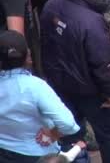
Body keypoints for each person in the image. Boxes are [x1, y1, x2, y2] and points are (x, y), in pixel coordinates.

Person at [39, 0, 110, 163]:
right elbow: (104, 65)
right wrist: (109, 93)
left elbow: (45, 46)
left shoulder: (51, 6)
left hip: (61, 88)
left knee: (71, 137)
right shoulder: (91, 23)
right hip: (93, 94)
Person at [0, 30, 80, 163]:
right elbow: (67, 123)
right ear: (27, 56)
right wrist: (54, 134)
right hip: (38, 155)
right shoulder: (35, 87)